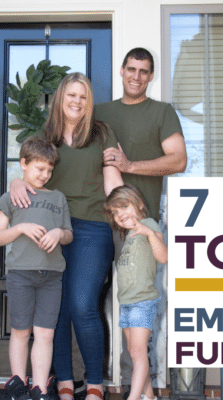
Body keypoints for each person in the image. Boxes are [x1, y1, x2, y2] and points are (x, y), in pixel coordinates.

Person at [9, 72, 124, 400]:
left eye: (83, 96)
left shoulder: (102, 133)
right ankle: (62, 382)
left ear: (89, 102)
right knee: (54, 308)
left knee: (83, 302)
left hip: (91, 228)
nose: (77, 101)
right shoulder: (44, 134)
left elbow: (112, 180)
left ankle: (95, 384)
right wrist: (17, 182)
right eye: (71, 95)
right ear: (60, 99)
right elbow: (28, 173)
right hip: (50, 228)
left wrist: (127, 218)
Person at [94, 47, 187, 398]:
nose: (136, 76)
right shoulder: (100, 112)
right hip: (95, 220)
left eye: (144, 71)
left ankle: (136, 388)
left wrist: (130, 165)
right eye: (131, 69)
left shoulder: (161, 112)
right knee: (90, 301)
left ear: (151, 75)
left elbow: (178, 160)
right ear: (121, 70)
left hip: (139, 224)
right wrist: (19, 181)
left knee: (139, 305)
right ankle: (134, 390)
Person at [0, 137, 73, 400]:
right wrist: (20, 228)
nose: (45, 175)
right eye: (39, 169)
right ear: (23, 164)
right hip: (21, 274)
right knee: (20, 330)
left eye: (49, 170)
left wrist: (58, 233)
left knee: (45, 332)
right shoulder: (11, 197)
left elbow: (68, 234)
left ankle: (40, 388)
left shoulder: (58, 198)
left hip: (52, 276)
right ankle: (18, 385)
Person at [103, 185, 167, 400]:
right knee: (134, 353)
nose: (120, 214)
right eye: (115, 212)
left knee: (138, 355)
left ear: (139, 204)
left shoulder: (148, 225)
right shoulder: (128, 235)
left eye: (124, 206)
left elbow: (163, 256)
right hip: (127, 302)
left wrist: (149, 233)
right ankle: (149, 396)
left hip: (142, 301)